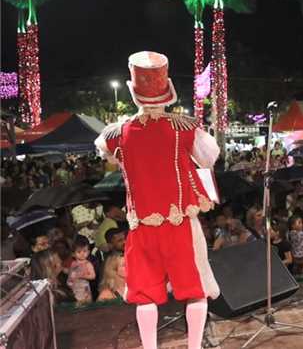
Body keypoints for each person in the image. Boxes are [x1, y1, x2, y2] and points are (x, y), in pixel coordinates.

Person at [94, 51, 219, 349]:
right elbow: (209, 157)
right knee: (195, 290)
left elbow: (108, 155)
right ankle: (194, 346)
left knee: (145, 295)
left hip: (141, 230)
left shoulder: (116, 134)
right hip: (180, 227)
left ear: (134, 94)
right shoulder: (184, 129)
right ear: (167, 94)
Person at [67, 236, 96, 305]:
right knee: (76, 303)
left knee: (86, 303)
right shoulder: (73, 263)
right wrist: (70, 280)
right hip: (75, 287)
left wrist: (83, 275)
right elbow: (71, 272)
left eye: (85, 251)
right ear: (73, 254)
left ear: (88, 252)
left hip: (84, 287)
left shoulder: (87, 264)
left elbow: (93, 276)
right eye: (79, 252)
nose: (82, 254)